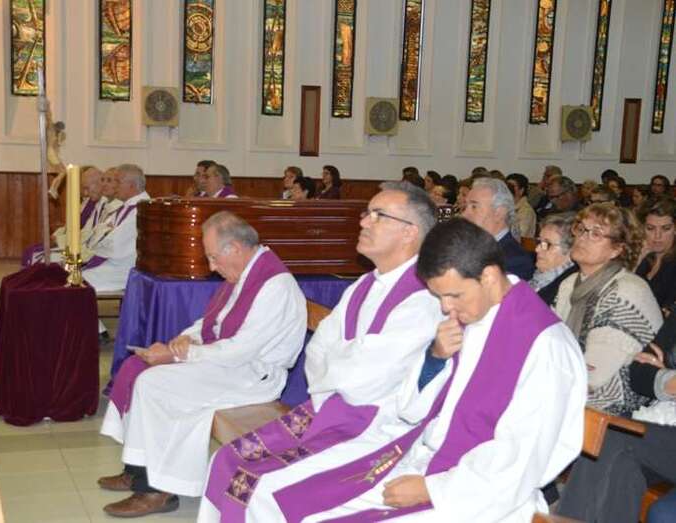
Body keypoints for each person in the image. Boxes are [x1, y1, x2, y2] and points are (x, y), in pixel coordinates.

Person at [204, 218, 586, 522]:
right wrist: (436, 357)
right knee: (290, 503)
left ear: (488, 276)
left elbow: (521, 459)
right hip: (422, 459)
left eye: (453, 295)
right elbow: (413, 408)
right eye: (440, 297)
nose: (446, 308)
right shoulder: (473, 314)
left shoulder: (544, 346)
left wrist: (431, 489)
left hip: (479, 497)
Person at [197, 181, 445, 522]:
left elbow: (367, 379)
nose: (364, 221)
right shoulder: (365, 284)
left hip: (377, 427)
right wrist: (342, 364)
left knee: (261, 488)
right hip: (329, 405)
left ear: (409, 232)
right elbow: (318, 349)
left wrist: (339, 364)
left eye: (378, 215)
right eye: (367, 213)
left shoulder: (424, 297)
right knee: (226, 460)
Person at [98, 212, 307, 517]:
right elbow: (215, 321)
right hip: (233, 367)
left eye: (212, 257)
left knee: (155, 383)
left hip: (253, 376)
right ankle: (139, 471)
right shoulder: (247, 273)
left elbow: (241, 351)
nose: (211, 266)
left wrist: (181, 355)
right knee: (141, 370)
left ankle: (158, 490)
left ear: (234, 248)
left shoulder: (274, 286)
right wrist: (187, 339)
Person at [557, 313, 676, 523]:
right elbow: (639, 374)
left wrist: (665, 377)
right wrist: (667, 380)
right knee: (623, 469)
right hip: (664, 424)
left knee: (612, 432)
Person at [554, 203, 662, 416]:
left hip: (615, 409)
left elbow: (594, 376)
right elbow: (548, 344)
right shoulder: (569, 284)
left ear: (617, 249)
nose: (583, 237)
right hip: (571, 391)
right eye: (581, 229)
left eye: (596, 233)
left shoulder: (626, 290)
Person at [81, 164, 151, 293]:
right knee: (73, 277)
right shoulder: (127, 205)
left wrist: (90, 255)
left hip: (125, 269)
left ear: (131, 186)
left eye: (117, 182)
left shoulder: (142, 209)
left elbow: (114, 244)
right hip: (113, 262)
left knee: (78, 281)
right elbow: (99, 232)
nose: (114, 186)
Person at [462, 177, 535, 280]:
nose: (464, 214)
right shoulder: (465, 246)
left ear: (499, 213)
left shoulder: (515, 261)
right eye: (465, 206)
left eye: (474, 207)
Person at [529, 212, 578, 307]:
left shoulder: (568, 290)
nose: (537, 249)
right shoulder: (538, 277)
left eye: (547, 244)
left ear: (570, 249)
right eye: (539, 242)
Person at [636, 199, 676, 308]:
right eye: (650, 228)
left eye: (666, 228)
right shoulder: (644, 257)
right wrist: (637, 261)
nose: (657, 236)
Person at [506, 172, 537, 238]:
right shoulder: (505, 206)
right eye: (507, 186)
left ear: (521, 190)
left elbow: (519, 235)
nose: (508, 189)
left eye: (511, 186)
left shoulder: (526, 211)